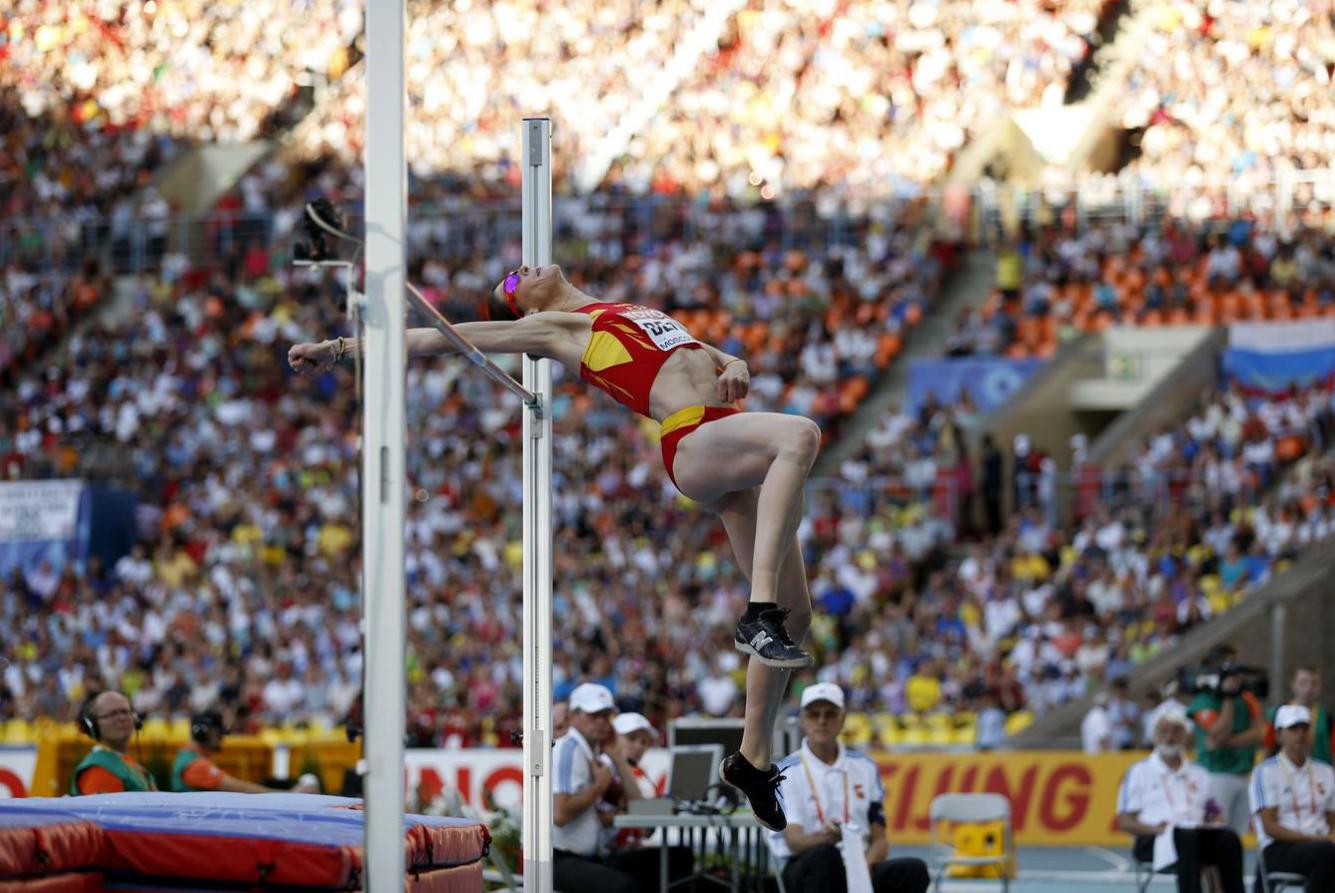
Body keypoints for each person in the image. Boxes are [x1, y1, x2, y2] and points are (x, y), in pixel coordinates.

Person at [290, 263, 822, 829]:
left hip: (727, 434)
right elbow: (450, 336)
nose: (521, 271)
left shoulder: (619, 309)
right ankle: (756, 612)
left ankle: (752, 760)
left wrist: (733, 362)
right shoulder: (558, 330)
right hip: (694, 440)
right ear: (529, 310)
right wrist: (340, 347)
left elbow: (706, 353)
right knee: (800, 434)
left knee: (802, 614)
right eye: (513, 285)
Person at [769, 683, 930, 893]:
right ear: (803, 720)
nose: (822, 721)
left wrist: (863, 867)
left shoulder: (865, 766)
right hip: (807, 866)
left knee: (913, 869)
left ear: (842, 719)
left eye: (830, 714)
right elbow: (794, 842)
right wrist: (831, 837)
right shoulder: (786, 771)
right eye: (814, 714)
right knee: (826, 855)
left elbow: (880, 839)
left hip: (859, 864)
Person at [1115, 704, 1245, 893]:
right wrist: (1155, 829)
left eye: (1176, 731)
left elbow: (1212, 811)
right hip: (1154, 838)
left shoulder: (1199, 774)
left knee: (1228, 838)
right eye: (1164, 731)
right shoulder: (1139, 772)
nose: (1170, 737)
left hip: (1195, 835)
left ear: (1185, 736)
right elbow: (1124, 821)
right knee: (1184, 836)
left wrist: (1216, 819)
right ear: (1154, 735)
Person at [550, 683, 638, 893]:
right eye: (594, 715)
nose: (601, 722)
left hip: (583, 857)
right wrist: (598, 788)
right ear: (573, 716)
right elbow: (560, 814)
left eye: (606, 716)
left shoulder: (592, 754)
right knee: (626, 886)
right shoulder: (568, 748)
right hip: (557, 861)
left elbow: (632, 805)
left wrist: (618, 759)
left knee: (672, 859)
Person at [1249, 705, 1335, 891]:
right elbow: (1269, 827)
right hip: (1280, 848)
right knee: (1328, 853)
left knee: (1328, 855)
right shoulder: (1265, 772)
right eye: (1293, 728)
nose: (1300, 734)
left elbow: (1332, 819)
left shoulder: (1326, 771)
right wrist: (1316, 839)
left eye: (1304, 728)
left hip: (1320, 846)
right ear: (1279, 735)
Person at [1186, 646, 1264, 835]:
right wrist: (1227, 698)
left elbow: (1260, 732)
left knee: (1237, 837)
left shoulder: (1246, 697)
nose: (1234, 672)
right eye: (1228, 665)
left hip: (1244, 772)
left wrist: (1227, 742)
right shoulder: (1203, 700)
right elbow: (1219, 732)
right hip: (1215, 774)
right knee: (1215, 833)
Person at [171, 709, 294, 793]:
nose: (222, 738)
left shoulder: (188, 757)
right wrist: (288, 795)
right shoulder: (196, 766)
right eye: (218, 734)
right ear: (202, 733)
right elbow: (241, 789)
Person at [71, 690, 158, 794]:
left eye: (125, 712)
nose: (122, 718)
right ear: (94, 725)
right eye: (112, 714)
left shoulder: (126, 762)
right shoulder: (99, 769)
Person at [1264, 666, 1334, 765]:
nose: (1309, 688)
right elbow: (1267, 747)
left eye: (1314, 683)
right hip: (1283, 774)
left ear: (1320, 686)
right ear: (1293, 684)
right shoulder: (1277, 713)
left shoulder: (1327, 718)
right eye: (1303, 682)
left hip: (1317, 775)